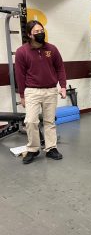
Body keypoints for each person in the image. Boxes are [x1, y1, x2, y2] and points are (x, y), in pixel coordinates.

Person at [15, 20, 66, 164]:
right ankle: (33, 149)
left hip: (50, 90)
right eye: (36, 32)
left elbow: (60, 68)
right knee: (31, 121)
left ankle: (51, 148)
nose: (40, 34)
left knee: (50, 121)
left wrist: (62, 86)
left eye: (41, 30)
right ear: (29, 35)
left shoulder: (52, 49)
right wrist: (22, 95)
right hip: (32, 91)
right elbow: (20, 75)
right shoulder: (21, 52)